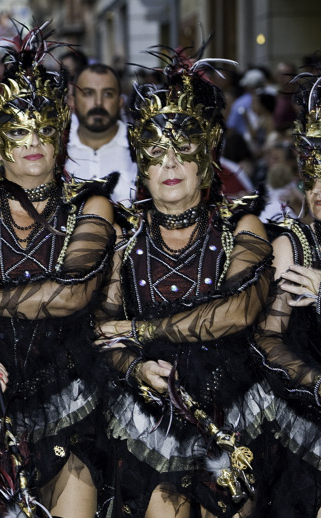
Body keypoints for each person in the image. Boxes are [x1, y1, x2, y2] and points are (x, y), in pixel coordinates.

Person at [0, 22, 114, 518]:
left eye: (42, 127)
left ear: (60, 132)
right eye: (17, 130)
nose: (31, 141)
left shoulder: (92, 207)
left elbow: (72, 293)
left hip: (72, 401)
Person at [94, 48, 275, 517]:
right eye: (156, 153)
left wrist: (142, 332)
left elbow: (239, 311)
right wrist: (134, 368)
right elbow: (103, 329)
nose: (171, 165)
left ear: (206, 157)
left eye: (184, 151)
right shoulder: (123, 235)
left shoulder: (243, 228)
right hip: (151, 419)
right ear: (141, 163)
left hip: (233, 413)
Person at [250, 72, 321, 517]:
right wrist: (315, 382)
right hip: (306, 427)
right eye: (313, 180)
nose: (320, 194)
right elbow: (267, 337)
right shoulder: (292, 244)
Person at [67, 63, 136, 203]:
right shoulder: (54, 149)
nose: (98, 103)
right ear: (72, 101)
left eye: (108, 94)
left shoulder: (141, 148)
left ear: (120, 102)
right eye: (88, 93)